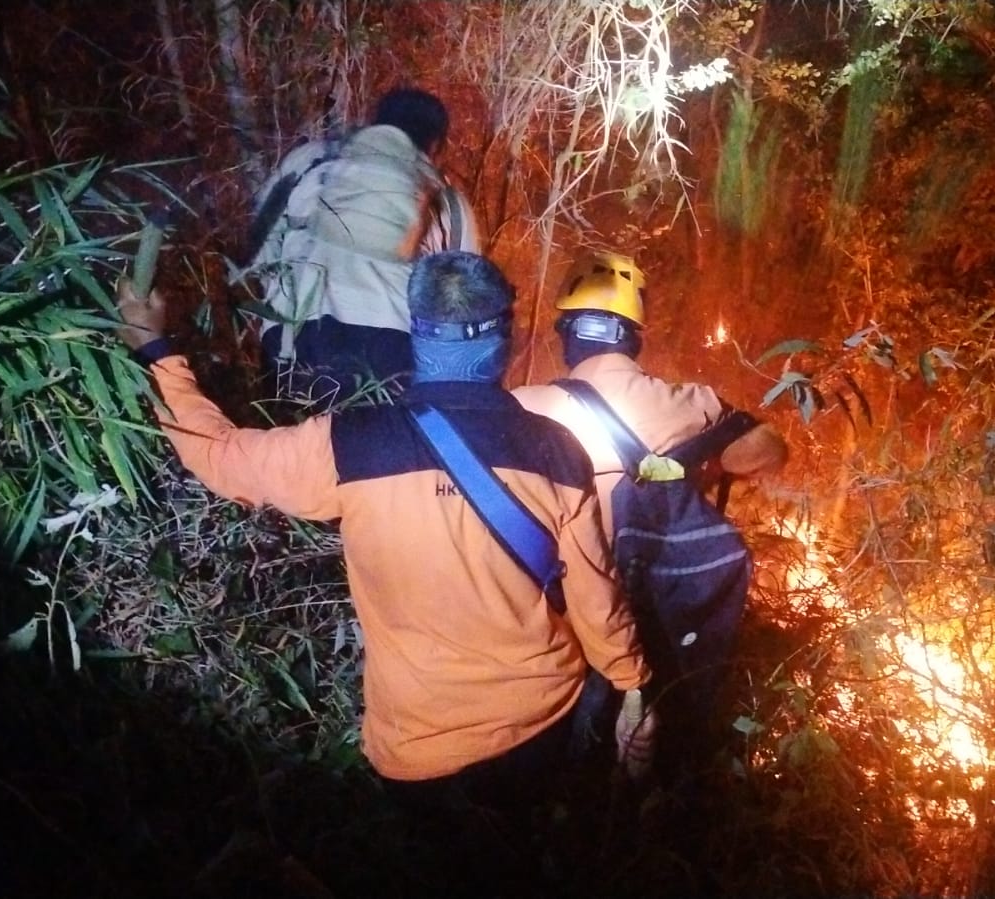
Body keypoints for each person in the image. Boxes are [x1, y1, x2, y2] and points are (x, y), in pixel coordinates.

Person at [117, 251, 651, 893]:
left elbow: (221, 455)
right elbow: (596, 600)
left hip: (417, 747)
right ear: (505, 336)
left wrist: (157, 352)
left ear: (416, 330)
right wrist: (634, 687)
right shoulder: (556, 450)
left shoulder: (348, 443)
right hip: (539, 724)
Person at [512, 251, 788, 776]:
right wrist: (693, 467)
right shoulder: (685, 404)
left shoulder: (521, 407)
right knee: (643, 754)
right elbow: (767, 451)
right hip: (647, 607)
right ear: (634, 337)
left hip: (552, 620)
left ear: (566, 332)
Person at [246, 86, 483, 404]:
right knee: (375, 437)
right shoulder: (449, 202)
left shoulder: (309, 160)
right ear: (436, 145)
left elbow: (261, 245)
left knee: (295, 435)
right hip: (390, 347)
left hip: (294, 334)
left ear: (376, 124)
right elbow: (462, 302)